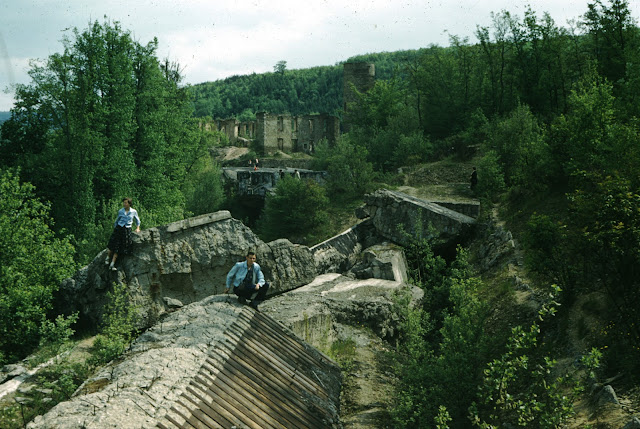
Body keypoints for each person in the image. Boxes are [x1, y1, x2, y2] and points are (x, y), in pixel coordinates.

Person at [106, 197, 141, 271]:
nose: (124, 204)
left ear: (129, 204)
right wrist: (116, 229)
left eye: (126, 203)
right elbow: (117, 220)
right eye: (124, 202)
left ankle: (112, 264)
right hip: (119, 228)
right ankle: (107, 258)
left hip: (127, 229)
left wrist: (138, 228)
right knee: (113, 243)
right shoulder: (121, 211)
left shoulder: (133, 211)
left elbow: (137, 220)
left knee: (121, 246)